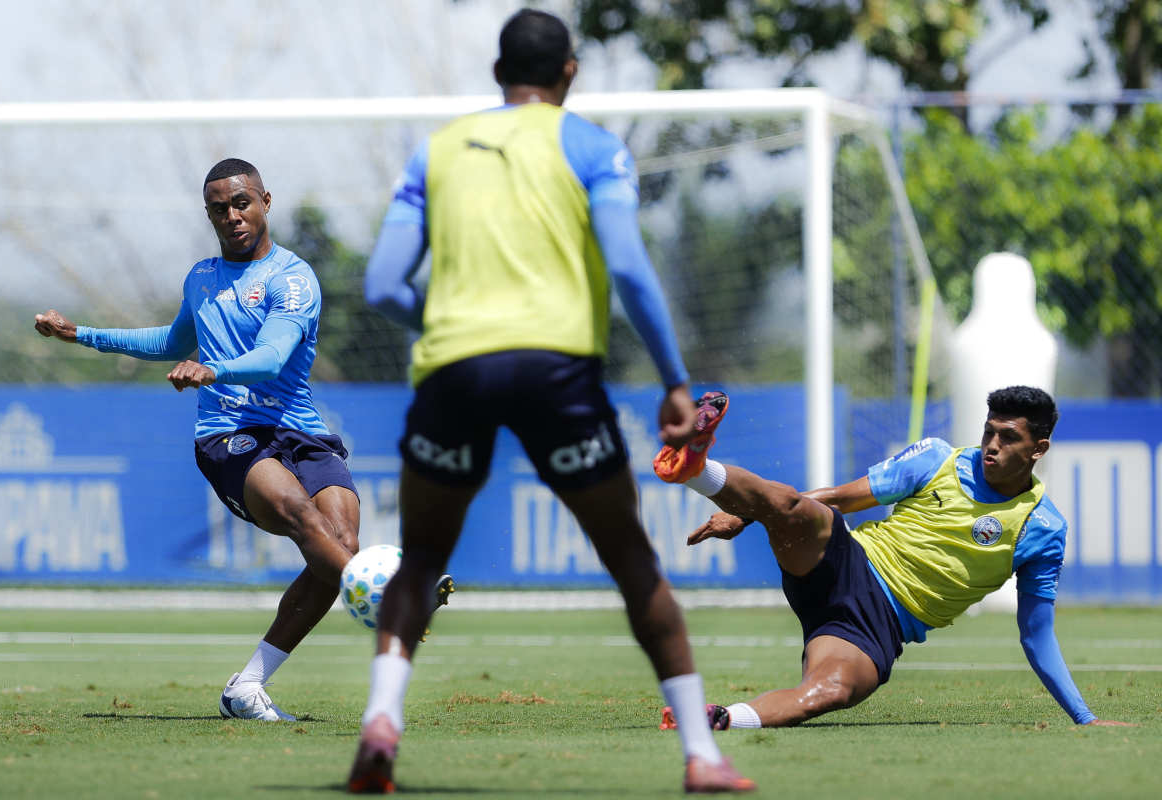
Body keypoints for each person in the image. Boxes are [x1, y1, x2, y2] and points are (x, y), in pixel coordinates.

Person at [347, 9, 755, 795]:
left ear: (499, 73)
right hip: (555, 373)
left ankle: (381, 723)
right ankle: (702, 755)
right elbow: (631, 271)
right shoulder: (593, 147)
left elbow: (380, 285)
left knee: (423, 559)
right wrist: (674, 378)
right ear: (569, 72)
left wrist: (452, 323)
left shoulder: (435, 152)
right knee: (632, 562)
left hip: (454, 369)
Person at [34, 158, 371, 722]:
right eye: (219, 209)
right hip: (229, 434)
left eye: (242, 203)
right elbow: (171, 341)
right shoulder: (202, 278)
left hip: (302, 431)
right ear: (209, 214)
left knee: (340, 544)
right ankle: (390, 603)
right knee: (301, 517)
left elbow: (271, 358)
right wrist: (82, 334)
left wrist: (211, 370)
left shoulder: (293, 279)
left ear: (266, 200)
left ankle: (247, 687)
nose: (232, 216)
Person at [655, 386, 1133, 730]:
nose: (992, 445)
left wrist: (1084, 717)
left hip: (876, 629)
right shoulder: (939, 460)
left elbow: (1036, 633)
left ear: (1038, 449)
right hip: (846, 564)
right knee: (798, 508)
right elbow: (841, 497)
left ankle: (716, 720)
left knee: (828, 693)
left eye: (1008, 437)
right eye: (989, 432)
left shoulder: (1043, 528)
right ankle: (695, 466)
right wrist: (751, 515)